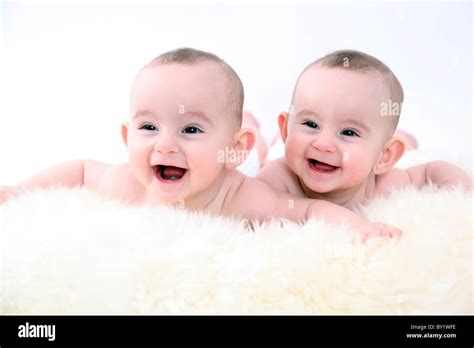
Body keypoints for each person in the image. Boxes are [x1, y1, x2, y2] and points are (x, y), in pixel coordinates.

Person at [0, 48, 402, 239]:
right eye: (148, 127)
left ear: (234, 149)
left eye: (191, 130)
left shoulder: (243, 197)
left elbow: (309, 210)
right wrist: (20, 190)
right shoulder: (126, 182)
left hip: (245, 165)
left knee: (268, 163)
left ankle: (260, 142)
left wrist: (358, 228)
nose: (166, 146)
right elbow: (82, 170)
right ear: (126, 138)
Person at [257, 50, 471, 210]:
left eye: (349, 132)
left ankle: (404, 138)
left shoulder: (383, 185)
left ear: (384, 157)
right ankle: (256, 131)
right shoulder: (278, 179)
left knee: (408, 146)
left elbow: (432, 170)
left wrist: (455, 192)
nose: (322, 144)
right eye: (311, 124)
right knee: (260, 149)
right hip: (277, 149)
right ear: (287, 130)